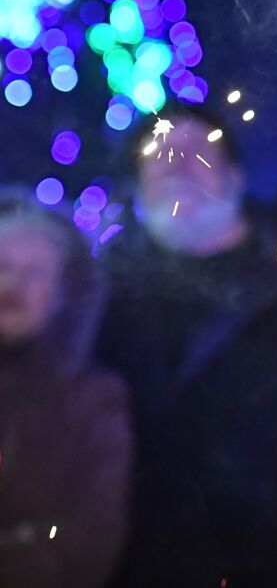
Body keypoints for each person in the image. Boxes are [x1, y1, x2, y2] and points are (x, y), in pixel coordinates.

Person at [96, 106, 277, 588]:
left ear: (235, 176)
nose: (178, 167)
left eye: (197, 154)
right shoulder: (109, 289)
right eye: (161, 158)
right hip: (151, 564)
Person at [0, 189, 131, 588]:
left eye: (35, 272)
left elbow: (91, 540)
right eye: (2, 265)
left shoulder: (93, 399)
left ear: (63, 294)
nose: (12, 283)